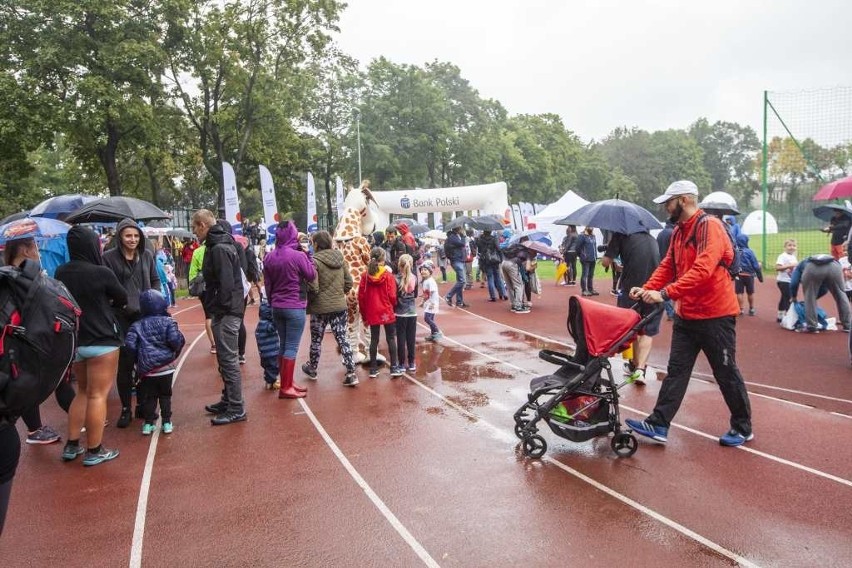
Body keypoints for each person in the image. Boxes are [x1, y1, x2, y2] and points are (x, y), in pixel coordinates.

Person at [625, 180, 754, 447]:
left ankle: (743, 427)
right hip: (688, 315)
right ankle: (659, 423)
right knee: (676, 371)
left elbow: (703, 269)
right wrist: (647, 288)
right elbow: (668, 266)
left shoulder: (710, 227)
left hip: (716, 315)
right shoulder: (679, 232)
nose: (665, 208)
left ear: (683, 200)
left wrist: (664, 294)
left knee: (725, 372)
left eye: (668, 202)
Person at [55, 225, 128, 464]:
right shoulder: (101, 272)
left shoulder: (61, 272)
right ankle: (95, 450)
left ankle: (72, 444)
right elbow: (122, 298)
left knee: (83, 393)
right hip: (103, 340)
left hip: (76, 340)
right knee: (98, 396)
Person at [4, 238, 74, 446]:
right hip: (28, 342)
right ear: (26, 250)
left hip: (30, 341)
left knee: (44, 380)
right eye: (36, 248)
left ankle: (75, 415)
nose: (39, 253)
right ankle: (34, 429)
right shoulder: (17, 280)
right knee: (27, 382)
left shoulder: (16, 276)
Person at [102, 218, 161, 429]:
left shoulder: (146, 255)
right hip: (122, 317)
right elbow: (105, 286)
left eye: (136, 236)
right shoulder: (108, 258)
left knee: (146, 362)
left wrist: (155, 298)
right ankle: (126, 407)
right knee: (125, 364)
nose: (133, 239)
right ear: (119, 237)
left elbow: (155, 279)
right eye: (128, 235)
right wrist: (117, 303)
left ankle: (145, 405)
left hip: (145, 315)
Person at [192, 209, 248, 424]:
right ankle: (229, 401)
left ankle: (236, 407)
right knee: (226, 361)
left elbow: (225, 284)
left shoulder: (219, 248)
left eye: (195, 227)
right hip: (226, 309)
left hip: (226, 311)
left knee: (228, 360)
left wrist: (217, 307)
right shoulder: (220, 245)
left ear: (202, 225)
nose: (194, 232)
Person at [263, 220, 316, 399]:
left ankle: (287, 382)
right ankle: (286, 387)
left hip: (277, 306)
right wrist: (308, 254)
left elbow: (268, 285)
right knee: (291, 347)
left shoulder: (269, 257)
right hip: (295, 306)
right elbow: (311, 275)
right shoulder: (298, 256)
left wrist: (272, 302)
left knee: (283, 344)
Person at [601, 230, 661, 385]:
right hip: (653, 289)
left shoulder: (620, 235)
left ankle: (607, 361)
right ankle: (639, 368)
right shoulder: (651, 239)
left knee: (630, 328)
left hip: (631, 290)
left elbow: (605, 262)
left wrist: (610, 250)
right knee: (647, 330)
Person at [124, 290, 185, 435]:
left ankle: (148, 424)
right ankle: (167, 422)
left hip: (147, 370)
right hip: (166, 367)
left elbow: (130, 345)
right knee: (165, 395)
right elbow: (175, 341)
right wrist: (177, 347)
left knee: (149, 396)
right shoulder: (168, 322)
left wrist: (138, 360)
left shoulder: (136, 325)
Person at [302, 230, 357, 387]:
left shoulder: (314, 261)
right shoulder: (340, 259)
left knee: (316, 340)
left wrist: (311, 299)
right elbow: (349, 283)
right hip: (339, 306)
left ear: (317, 244)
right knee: (343, 338)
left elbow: (313, 287)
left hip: (319, 308)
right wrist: (339, 294)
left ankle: (312, 368)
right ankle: (351, 371)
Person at [358, 247, 400, 378]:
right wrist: (392, 306)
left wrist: (364, 315)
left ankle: (373, 369)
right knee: (390, 338)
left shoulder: (365, 276)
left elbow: (361, 297)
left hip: (372, 310)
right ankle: (394, 367)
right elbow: (392, 295)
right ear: (384, 258)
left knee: (374, 339)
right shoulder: (388, 276)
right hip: (386, 310)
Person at [789, 254, 852, 333]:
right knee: (841, 295)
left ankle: (812, 326)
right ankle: (848, 325)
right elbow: (824, 289)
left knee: (809, 297)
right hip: (834, 265)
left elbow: (793, 283)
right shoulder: (806, 261)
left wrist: (793, 296)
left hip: (813, 268)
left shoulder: (798, 267)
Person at [189, 240, 216, 354]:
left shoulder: (197, 252)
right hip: (214, 284)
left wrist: (193, 284)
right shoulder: (216, 249)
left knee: (208, 316)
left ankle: (213, 344)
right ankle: (221, 341)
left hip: (202, 287)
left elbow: (192, 272)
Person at [395, 254, 419, 373]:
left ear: (399, 265)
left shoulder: (395, 278)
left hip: (400, 312)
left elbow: (395, 296)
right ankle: (411, 363)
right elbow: (415, 294)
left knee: (401, 338)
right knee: (411, 338)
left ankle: (401, 364)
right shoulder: (414, 277)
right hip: (412, 312)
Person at [735, 233, 763, 316]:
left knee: (739, 292)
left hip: (738, 274)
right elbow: (755, 265)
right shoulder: (750, 251)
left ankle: (741, 309)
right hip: (749, 275)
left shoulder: (736, 251)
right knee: (750, 292)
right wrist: (760, 277)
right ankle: (751, 308)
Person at [255, 300, 281, 390]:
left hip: (264, 353)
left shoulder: (260, 324)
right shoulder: (267, 325)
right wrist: (277, 319)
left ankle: (269, 381)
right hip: (271, 352)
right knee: (274, 367)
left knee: (268, 368)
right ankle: (271, 382)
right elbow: (273, 327)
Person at [475, 229, 507, 302]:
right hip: (495, 259)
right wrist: (501, 258)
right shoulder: (494, 238)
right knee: (498, 277)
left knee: (490, 278)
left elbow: (479, 250)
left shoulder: (480, 239)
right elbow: (498, 249)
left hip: (486, 260)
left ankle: (493, 296)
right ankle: (504, 294)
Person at [500, 242, 530, 314]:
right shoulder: (526, 252)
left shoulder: (515, 246)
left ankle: (513, 304)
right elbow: (527, 268)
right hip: (512, 264)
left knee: (509, 285)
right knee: (519, 285)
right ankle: (518, 306)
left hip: (504, 263)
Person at [443, 226, 468, 307]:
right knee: (462, 281)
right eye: (461, 228)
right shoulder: (453, 237)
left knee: (460, 281)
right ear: (458, 229)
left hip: (459, 260)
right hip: (456, 260)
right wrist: (464, 236)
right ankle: (448, 296)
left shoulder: (455, 237)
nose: (462, 230)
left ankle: (459, 301)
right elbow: (462, 244)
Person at [656, 220, 676, 320]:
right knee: (670, 289)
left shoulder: (660, 234)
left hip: (661, 263)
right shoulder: (673, 233)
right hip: (671, 265)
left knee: (665, 288)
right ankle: (671, 312)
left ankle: (670, 311)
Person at [775, 239, 798, 322]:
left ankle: (780, 316)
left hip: (790, 280)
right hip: (783, 281)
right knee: (789, 298)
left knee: (784, 297)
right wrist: (790, 265)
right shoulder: (782, 256)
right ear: (785, 247)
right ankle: (789, 317)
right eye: (789, 245)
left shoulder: (793, 256)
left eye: (794, 245)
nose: (792, 247)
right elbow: (778, 267)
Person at [419, 262, 442, 340]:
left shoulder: (430, 281)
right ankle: (433, 334)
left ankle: (437, 331)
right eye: (422, 270)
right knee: (430, 318)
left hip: (432, 303)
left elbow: (430, 293)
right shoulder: (425, 281)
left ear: (430, 272)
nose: (423, 271)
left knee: (427, 318)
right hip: (429, 302)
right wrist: (423, 302)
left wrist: (424, 301)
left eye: (425, 270)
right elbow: (426, 293)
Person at [576, 226, 599, 296]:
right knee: (585, 275)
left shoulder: (593, 236)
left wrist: (595, 256)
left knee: (591, 275)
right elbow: (577, 248)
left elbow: (594, 247)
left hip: (593, 258)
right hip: (585, 259)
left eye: (592, 226)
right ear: (586, 227)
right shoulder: (582, 236)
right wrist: (582, 255)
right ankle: (584, 290)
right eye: (589, 226)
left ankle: (590, 289)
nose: (591, 227)